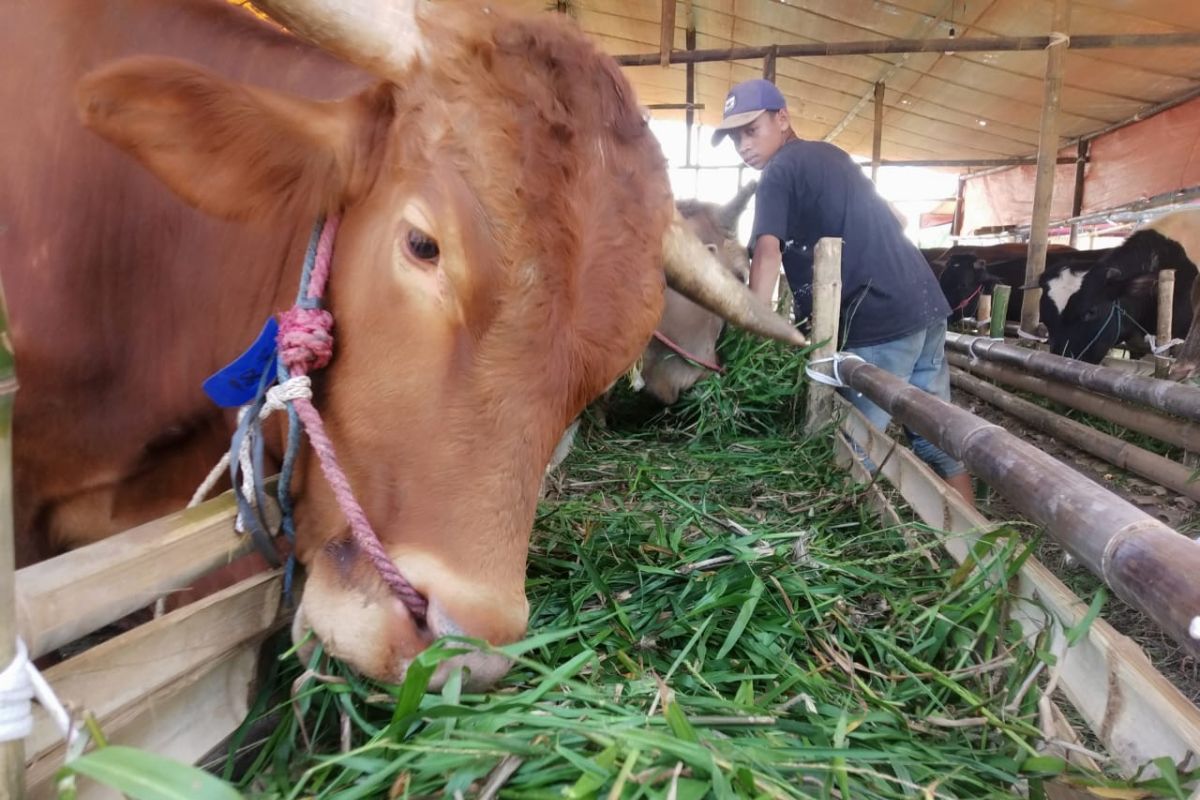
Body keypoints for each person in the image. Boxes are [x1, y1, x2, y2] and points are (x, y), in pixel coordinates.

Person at [711, 78, 974, 506]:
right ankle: (976, 550)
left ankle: (859, 543)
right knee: (934, 435)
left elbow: (766, 250)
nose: (743, 145)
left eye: (751, 130)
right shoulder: (833, 156)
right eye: (735, 137)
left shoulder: (779, 171)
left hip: (877, 321)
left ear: (782, 119)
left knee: (855, 449)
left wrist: (752, 328)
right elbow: (896, 217)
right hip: (924, 307)